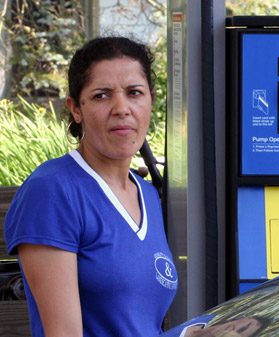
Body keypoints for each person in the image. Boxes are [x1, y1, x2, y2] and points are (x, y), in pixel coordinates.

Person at [4, 36, 177, 337]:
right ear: (75, 108)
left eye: (134, 93)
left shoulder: (147, 195)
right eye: (101, 96)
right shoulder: (53, 192)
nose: (121, 108)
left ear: (150, 99)